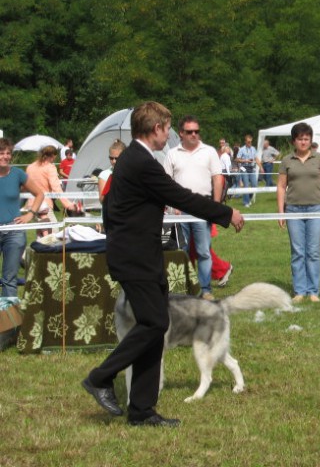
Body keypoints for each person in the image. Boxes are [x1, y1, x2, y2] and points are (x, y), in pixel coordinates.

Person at [81, 101, 244, 427]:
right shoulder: (142, 162)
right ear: (156, 129)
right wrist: (226, 213)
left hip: (142, 257)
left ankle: (142, 411)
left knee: (155, 332)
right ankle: (100, 377)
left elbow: (112, 208)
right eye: (167, 128)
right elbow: (180, 196)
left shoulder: (132, 159)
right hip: (135, 260)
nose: (168, 134)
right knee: (155, 324)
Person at [164, 115, 234, 300]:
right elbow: (166, 182)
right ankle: (186, 288)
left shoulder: (209, 151)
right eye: (189, 132)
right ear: (181, 133)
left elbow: (218, 178)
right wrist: (173, 207)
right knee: (183, 252)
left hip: (203, 208)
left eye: (197, 131)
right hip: (180, 210)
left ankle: (205, 290)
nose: (194, 134)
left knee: (204, 251)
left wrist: (216, 207)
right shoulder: (172, 153)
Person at [277, 122, 320, 303]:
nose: (303, 142)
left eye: (306, 139)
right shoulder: (287, 161)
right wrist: (281, 212)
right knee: (298, 251)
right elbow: (281, 186)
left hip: (316, 208)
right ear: (294, 141)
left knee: (314, 251)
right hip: (293, 210)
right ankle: (299, 291)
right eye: (300, 139)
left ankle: (314, 291)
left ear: (311, 140)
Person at [0, 138, 45, 297]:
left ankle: (9, 320)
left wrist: (30, 214)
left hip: (14, 231)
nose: (5, 156)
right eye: (1, 153)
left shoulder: (18, 174)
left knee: (9, 279)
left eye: (8, 153)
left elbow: (39, 194)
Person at [26, 145, 77, 236]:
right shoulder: (50, 167)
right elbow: (56, 187)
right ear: (52, 156)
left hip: (32, 205)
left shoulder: (30, 167)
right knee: (54, 233)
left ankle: (38, 249)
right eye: (54, 157)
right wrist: (67, 204)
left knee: (41, 234)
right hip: (44, 205)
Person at [237, 134, 258, 207]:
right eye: (248, 142)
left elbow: (256, 158)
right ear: (245, 141)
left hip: (251, 167)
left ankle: (248, 198)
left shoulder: (253, 149)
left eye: (251, 142)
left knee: (254, 185)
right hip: (244, 167)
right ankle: (246, 202)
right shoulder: (241, 149)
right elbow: (237, 159)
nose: (250, 143)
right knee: (246, 185)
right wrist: (245, 160)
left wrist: (261, 167)